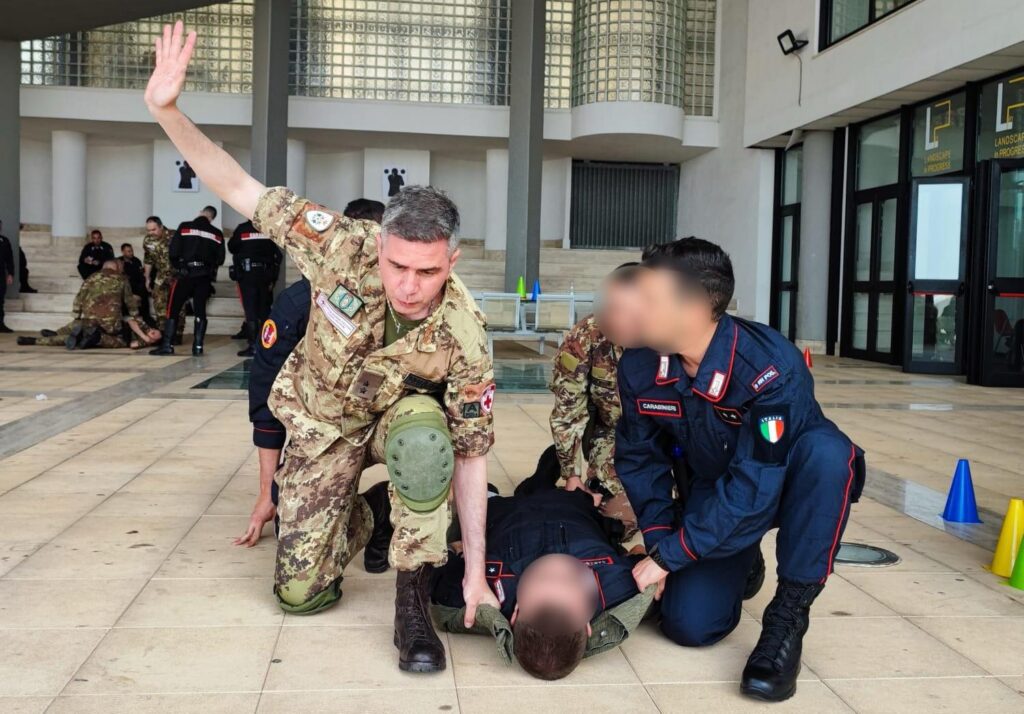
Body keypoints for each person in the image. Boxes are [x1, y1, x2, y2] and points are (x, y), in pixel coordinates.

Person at [144, 21, 498, 674]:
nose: (410, 286)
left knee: (427, 445)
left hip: (401, 422)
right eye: (398, 267)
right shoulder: (337, 242)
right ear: (379, 246)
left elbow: (473, 456)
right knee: (299, 596)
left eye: (428, 271)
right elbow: (235, 184)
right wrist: (166, 111)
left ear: (453, 259)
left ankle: (413, 601)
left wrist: (473, 570)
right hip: (323, 425)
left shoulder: (466, 331)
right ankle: (361, 516)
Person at [613, 238, 866, 703]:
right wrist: (658, 540)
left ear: (693, 309)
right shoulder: (639, 365)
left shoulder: (770, 368)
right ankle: (742, 558)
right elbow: (638, 458)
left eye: (648, 298)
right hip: (717, 485)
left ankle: (787, 618)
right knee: (689, 625)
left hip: (788, 482)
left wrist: (672, 556)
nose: (631, 307)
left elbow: (756, 486)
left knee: (830, 456)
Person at [234, 200, 383, 548]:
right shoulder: (299, 304)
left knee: (422, 443)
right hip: (324, 432)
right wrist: (268, 492)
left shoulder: (408, 301)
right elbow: (266, 398)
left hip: (385, 423)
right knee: (295, 536)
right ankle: (367, 506)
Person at [430, 482, 652, 681]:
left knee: (470, 496)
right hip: (571, 500)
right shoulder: (619, 586)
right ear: (588, 624)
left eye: (542, 577)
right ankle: (547, 474)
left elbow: (442, 590)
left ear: (515, 614)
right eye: (569, 579)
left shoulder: (488, 592)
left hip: (500, 508)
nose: (556, 566)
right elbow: (641, 554)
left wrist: (459, 551)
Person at [548, 263, 645, 536]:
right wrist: (572, 474)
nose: (616, 319)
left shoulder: (672, 336)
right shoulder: (587, 335)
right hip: (614, 436)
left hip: (667, 443)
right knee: (615, 524)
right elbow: (568, 411)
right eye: (611, 308)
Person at [17, 260, 159, 349]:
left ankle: (38, 340)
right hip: (110, 325)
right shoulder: (121, 279)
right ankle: (93, 338)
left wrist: (76, 316)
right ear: (115, 268)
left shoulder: (91, 278)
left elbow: (79, 297)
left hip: (89, 319)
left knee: (80, 328)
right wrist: (136, 316)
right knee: (117, 340)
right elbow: (130, 301)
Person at [149, 205, 225, 356]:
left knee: (173, 308)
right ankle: (197, 347)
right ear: (212, 218)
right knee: (200, 311)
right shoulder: (217, 234)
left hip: (185, 274)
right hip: (203, 276)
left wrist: (180, 267)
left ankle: (167, 345)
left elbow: (174, 251)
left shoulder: (185, 227)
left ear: (201, 213)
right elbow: (220, 259)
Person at [228, 218, 282, 357]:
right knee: (264, 310)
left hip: (247, 275)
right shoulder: (268, 228)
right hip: (265, 274)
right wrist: (273, 276)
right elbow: (278, 255)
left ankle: (253, 346)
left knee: (251, 310)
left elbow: (232, 247)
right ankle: (266, 345)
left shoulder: (242, 228)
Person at [143, 216, 186, 345]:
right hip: (161, 277)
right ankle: (163, 334)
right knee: (159, 305)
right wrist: (147, 277)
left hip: (176, 277)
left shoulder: (174, 236)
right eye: (148, 230)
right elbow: (148, 259)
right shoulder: (148, 240)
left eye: (154, 229)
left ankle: (177, 334)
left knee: (179, 306)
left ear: (161, 227)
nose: (151, 233)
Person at [119, 243, 155, 327]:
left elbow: (140, 275)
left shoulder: (136, 260)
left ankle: (145, 316)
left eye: (131, 251)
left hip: (138, 286)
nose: (131, 253)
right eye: (128, 251)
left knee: (144, 291)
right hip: (126, 287)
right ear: (123, 252)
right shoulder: (119, 262)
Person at [0, 221, 13, 333]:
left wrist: (10, 273)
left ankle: (0, 324)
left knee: (0, 301)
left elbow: (9, 259)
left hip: (0, 274)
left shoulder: (4, 241)